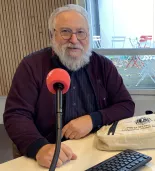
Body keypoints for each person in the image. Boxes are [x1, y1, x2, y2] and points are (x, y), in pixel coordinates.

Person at [3, 4, 135, 168]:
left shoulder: (103, 66)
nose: (74, 40)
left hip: (95, 149)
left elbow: (126, 105)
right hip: (51, 155)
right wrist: (39, 147)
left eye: (81, 32)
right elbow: (16, 114)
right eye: (65, 32)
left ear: (88, 35)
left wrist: (92, 120)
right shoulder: (31, 66)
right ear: (52, 35)